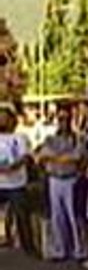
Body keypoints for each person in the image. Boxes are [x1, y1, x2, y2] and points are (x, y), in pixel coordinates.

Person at [35, 104, 88, 261]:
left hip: (71, 179)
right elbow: (41, 155)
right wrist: (62, 158)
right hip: (55, 179)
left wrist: (56, 158)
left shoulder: (77, 138)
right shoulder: (50, 139)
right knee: (57, 216)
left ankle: (79, 249)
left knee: (74, 216)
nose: (63, 122)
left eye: (66, 119)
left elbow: (77, 156)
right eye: (60, 119)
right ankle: (60, 249)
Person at [0, 104, 34, 254]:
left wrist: (14, 166)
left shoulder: (20, 138)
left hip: (16, 184)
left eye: (5, 118)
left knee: (22, 215)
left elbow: (26, 157)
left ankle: (28, 247)